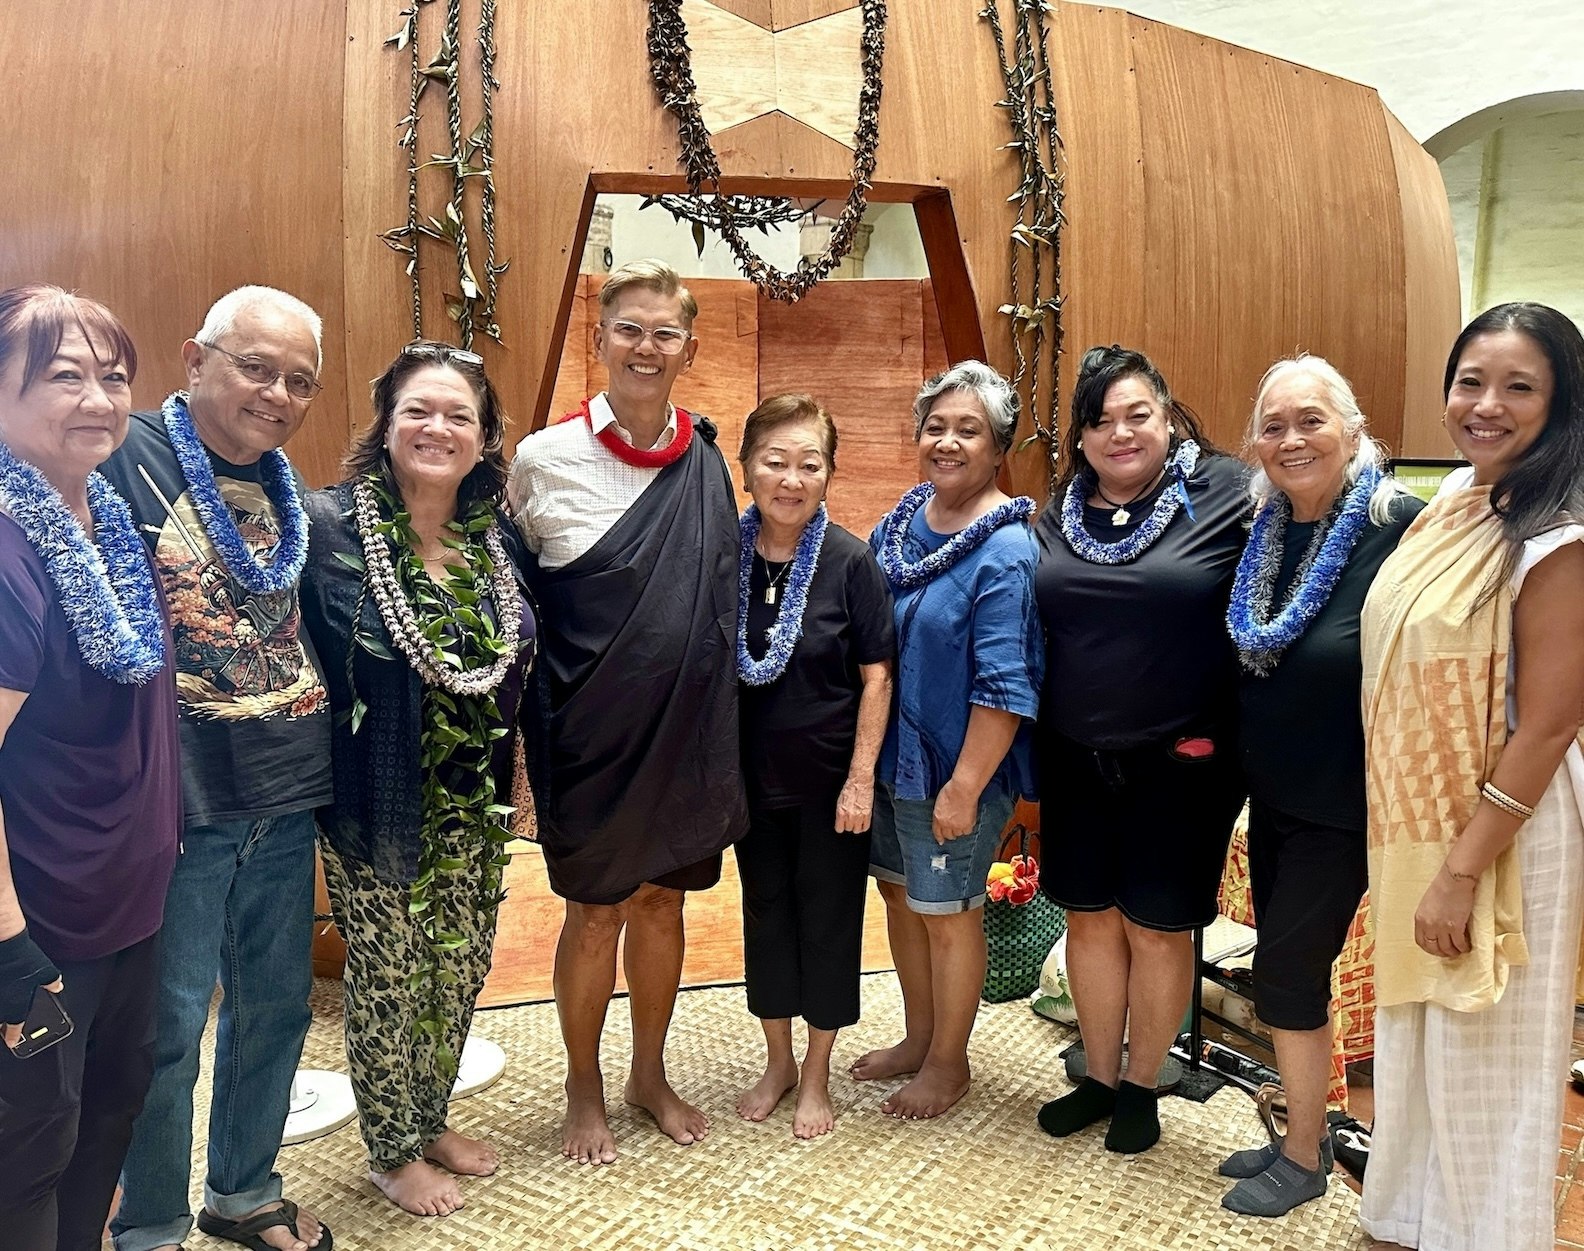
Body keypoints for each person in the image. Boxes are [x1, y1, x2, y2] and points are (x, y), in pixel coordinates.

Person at [101, 286, 331, 1251]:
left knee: (277, 1010)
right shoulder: (122, 457)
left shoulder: (285, 482)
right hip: (178, 803)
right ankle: (149, 1223)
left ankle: (244, 1194)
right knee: (166, 1030)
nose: (277, 393)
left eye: (300, 380)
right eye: (255, 366)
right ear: (194, 358)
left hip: (286, 790)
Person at [508, 258, 747, 1165]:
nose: (646, 347)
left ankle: (650, 1072)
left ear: (690, 347)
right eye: (629, 329)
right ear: (599, 339)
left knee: (660, 907)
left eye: (665, 332)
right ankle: (584, 1083)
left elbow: (719, 603)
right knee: (596, 911)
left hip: (686, 737)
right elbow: (520, 599)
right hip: (589, 737)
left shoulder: (707, 457)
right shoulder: (542, 458)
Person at [1358, 303, 1584, 1251]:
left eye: (1518, 386)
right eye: (1470, 381)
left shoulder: (1556, 535)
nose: (1485, 405)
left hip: (1511, 819)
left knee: (1488, 1044)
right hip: (1426, 812)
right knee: (1422, 1038)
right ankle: (1415, 1219)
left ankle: (1489, 1233)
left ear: (1563, 403)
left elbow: (1551, 722)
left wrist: (1462, 866)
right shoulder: (1462, 501)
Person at [299, 340, 535, 1217]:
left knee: (460, 962)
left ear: (485, 436)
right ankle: (391, 1151)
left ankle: (429, 1114)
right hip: (374, 796)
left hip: (473, 801)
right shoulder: (328, 529)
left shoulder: (494, 536)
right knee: (390, 974)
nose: (438, 427)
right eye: (418, 411)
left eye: (459, 415)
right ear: (386, 424)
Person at [1215, 355, 1423, 1216]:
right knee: (1283, 976)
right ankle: (1299, 1123)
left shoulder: (1398, 524)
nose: (1291, 439)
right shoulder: (1266, 527)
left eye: (1311, 420)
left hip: (1349, 803)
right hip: (1276, 796)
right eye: (1273, 425)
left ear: (1351, 425)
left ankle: (1305, 1156)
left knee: (1290, 973)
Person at [1033, 345, 1248, 1154]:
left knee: (1157, 927)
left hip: (1180, 758)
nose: (1120, 433)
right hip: (1075, 752)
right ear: (1081, 438)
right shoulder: (1061, 507)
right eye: (1100, 420)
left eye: (1137, 414)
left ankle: (1143, 1086)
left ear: (1167, 415)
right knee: (1087, 918)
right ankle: (1096, 1074)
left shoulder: (1224, 491)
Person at [0, 285, 180, 1249]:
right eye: (62, 375)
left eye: (112, 377)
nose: (99, 399)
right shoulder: (8, 549)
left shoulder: (103, 520)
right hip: (43, 921)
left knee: (108, 1115)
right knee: (26, 1153)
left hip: (131, 903)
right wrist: (7, 953)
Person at [854, 360, 1042, 1120]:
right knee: (901, 897)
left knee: (949, 911)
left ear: (999, 447)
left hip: (955, 772)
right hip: (893, 766)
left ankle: (949, 1062)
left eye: (969, 429)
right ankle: (919, 1036)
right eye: (936, 426)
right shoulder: (896, 527)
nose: (948, 441)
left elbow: (1005, 684)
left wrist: (964, 788)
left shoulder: (1007, 549)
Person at [731, 394, 894, 1139]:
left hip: (833, 786)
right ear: (746, 468)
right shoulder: (721, 553)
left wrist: (861, 776)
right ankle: (777, 1060)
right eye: (775, 461)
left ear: (828, 474)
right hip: (746, 782)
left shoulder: (851, 561)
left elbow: (877, 677)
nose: (791, 479)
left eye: (809, 463)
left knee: (828, 920)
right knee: (765, 915)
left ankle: (819, 1070)